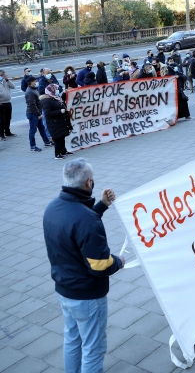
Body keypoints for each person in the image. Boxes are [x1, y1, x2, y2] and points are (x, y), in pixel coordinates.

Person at [43, 157, 125, 373]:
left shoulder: (53, 208)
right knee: (93, 348)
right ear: (89, 183)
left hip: (65, 290)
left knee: (72, 340)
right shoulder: (86, 219)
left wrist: (101, 206)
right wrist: (119, 261)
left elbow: (75, 231)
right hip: (87, 296)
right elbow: (100, 265)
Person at [41, 84, 73, 159]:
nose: (58, 91)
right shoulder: (47, 101)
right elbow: (48, 113)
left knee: (62, 137)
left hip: (59, 121)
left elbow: (62, 103)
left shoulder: (55, 98)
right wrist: (60, 111)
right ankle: (57, 154)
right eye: (56, 89)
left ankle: (63, 151)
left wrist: (65, 94)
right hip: (54, 123)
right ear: (52, 90)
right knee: (57, 139)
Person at [25, 76, 52, 152]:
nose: (36, 82)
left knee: (41, 128)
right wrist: (38, 114)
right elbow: (32, 104)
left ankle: (46, 142)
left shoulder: (34, 89)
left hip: (37, 113)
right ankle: (33, 146)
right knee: (33, 130)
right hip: (33, 113)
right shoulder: (30, 91)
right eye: (35, 81)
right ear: (31, 82)